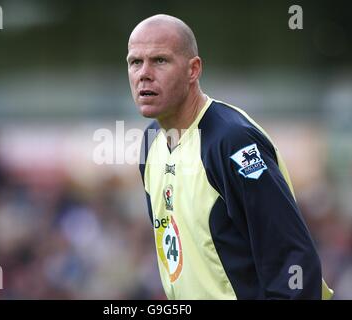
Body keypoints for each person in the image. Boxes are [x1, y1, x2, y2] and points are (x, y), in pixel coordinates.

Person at [127, 14, 333, 299]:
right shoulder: (151, 142)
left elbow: (293, 259)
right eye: (135, 62)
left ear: (193, 70)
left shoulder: (232, 141)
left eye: (160, 60)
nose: (144, 73)